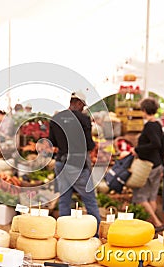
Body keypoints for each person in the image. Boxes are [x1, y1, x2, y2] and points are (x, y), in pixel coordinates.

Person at [48, 91, 101, 234]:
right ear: (78, 103)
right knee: (90, 200)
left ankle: (64, 234)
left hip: (60, 162)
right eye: (83, 105)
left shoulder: (56, 118)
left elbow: (52, 142)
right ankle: (96, 234)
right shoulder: (84, 119)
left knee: (64, 200)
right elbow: (89, 145)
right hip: (77, 163)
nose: (83, 108)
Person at [130, 97, 164, 232]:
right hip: (157, 164)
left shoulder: (149, 126)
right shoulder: (158, 124)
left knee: (140, 196)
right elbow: (162, 146)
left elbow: (156, 144)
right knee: (151, 196)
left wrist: (137, 149)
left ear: (144, 110)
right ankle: (150, 225)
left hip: (148, 166)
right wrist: (162, 164)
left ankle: (156, 223)